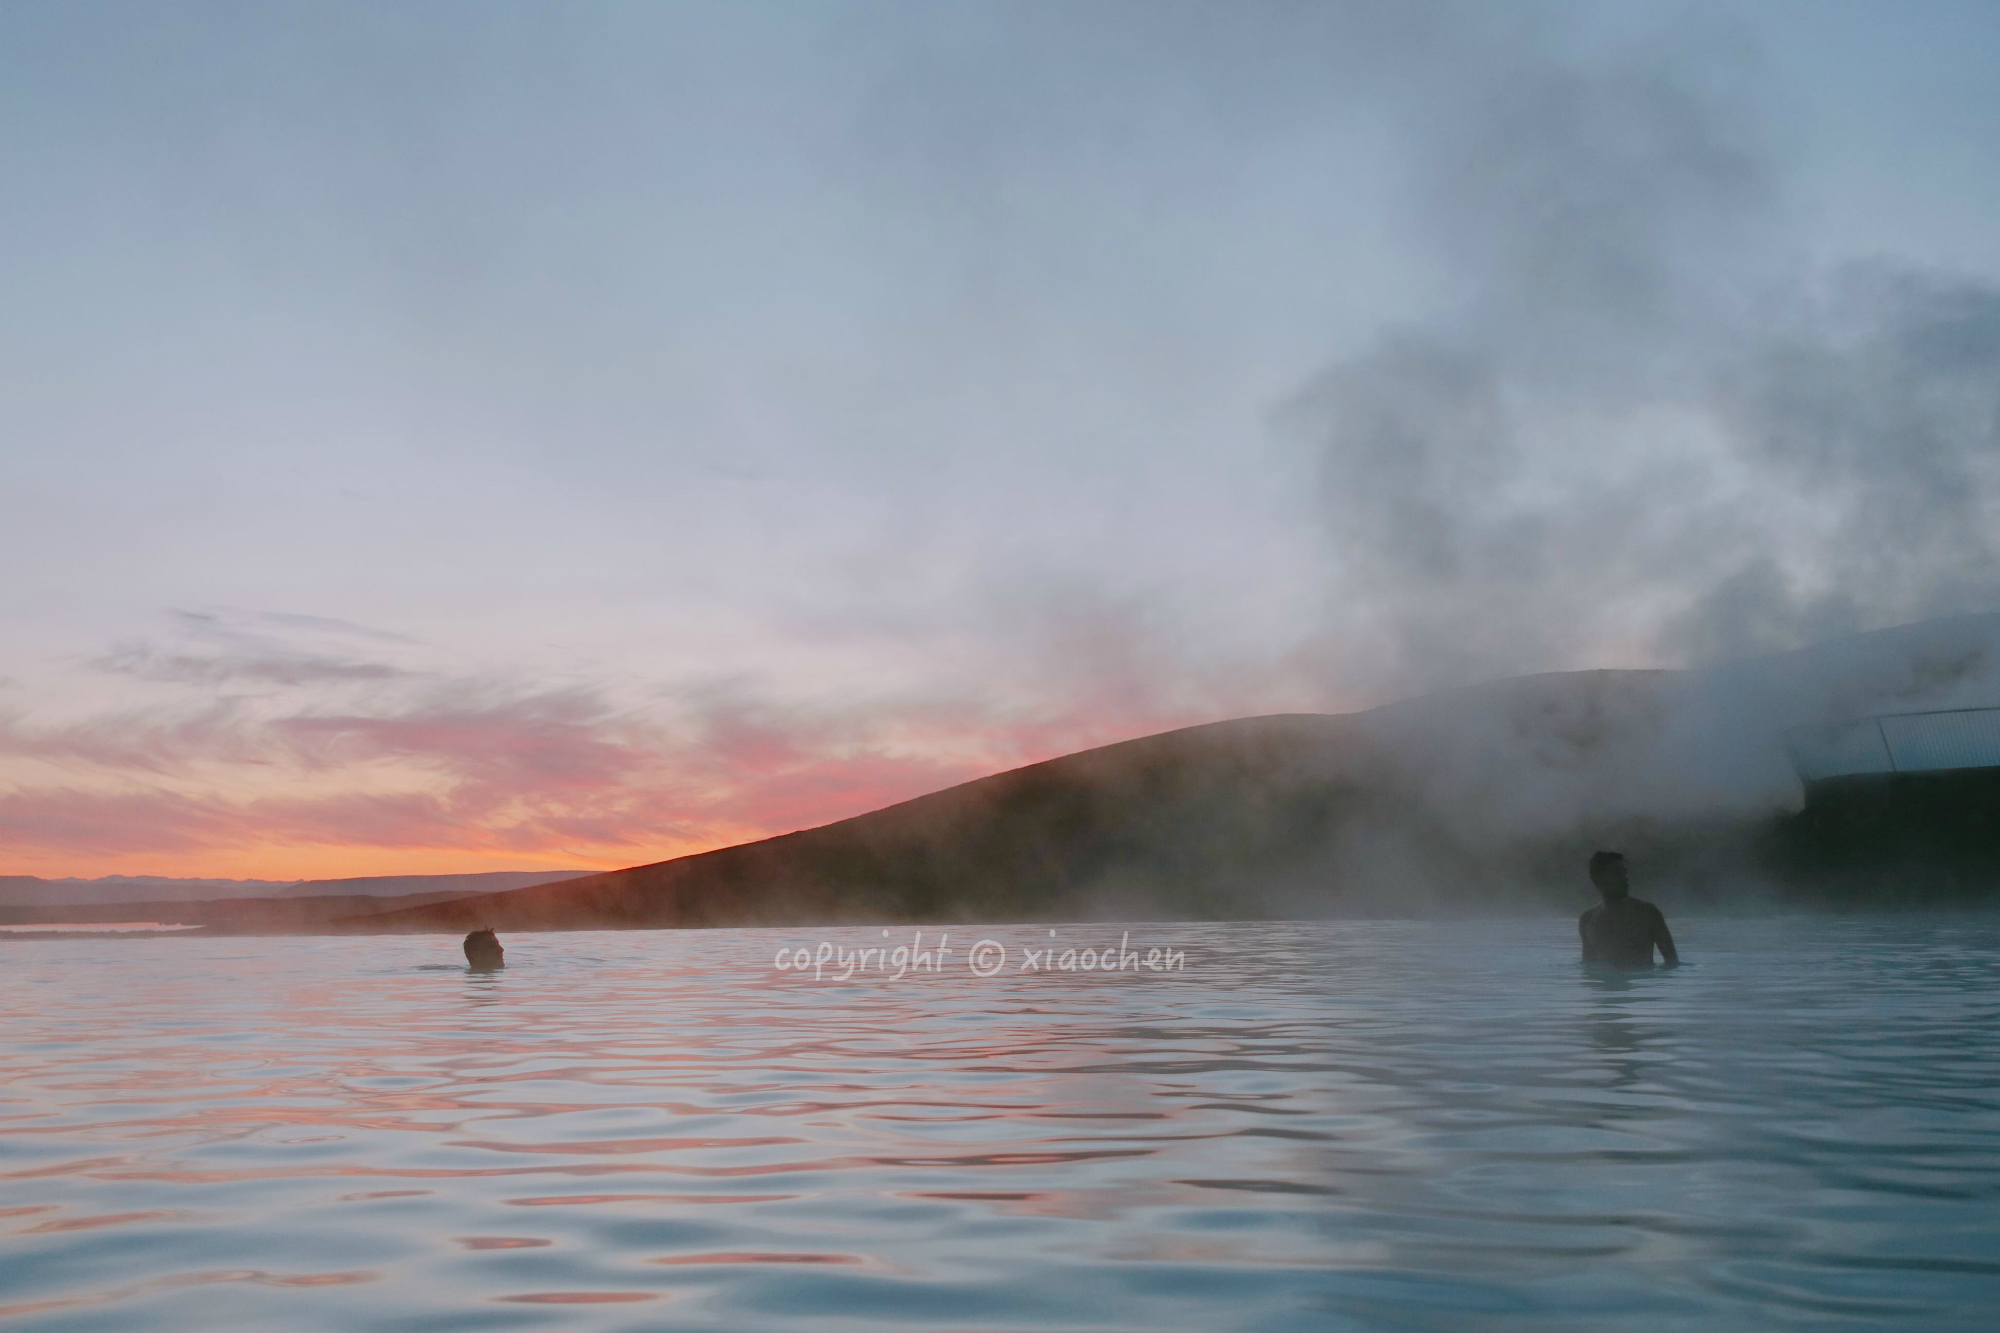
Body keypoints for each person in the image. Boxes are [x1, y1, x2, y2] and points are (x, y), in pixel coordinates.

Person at [1578, 852, 1678, 967]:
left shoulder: (1647, 913)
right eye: (1617, 873)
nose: (1625, 878)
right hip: (1604, 983)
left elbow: (1672, 963)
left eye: (1624, 872)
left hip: (1642, 983)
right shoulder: (1587, 920)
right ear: (1598, 879)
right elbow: (1588, 966)